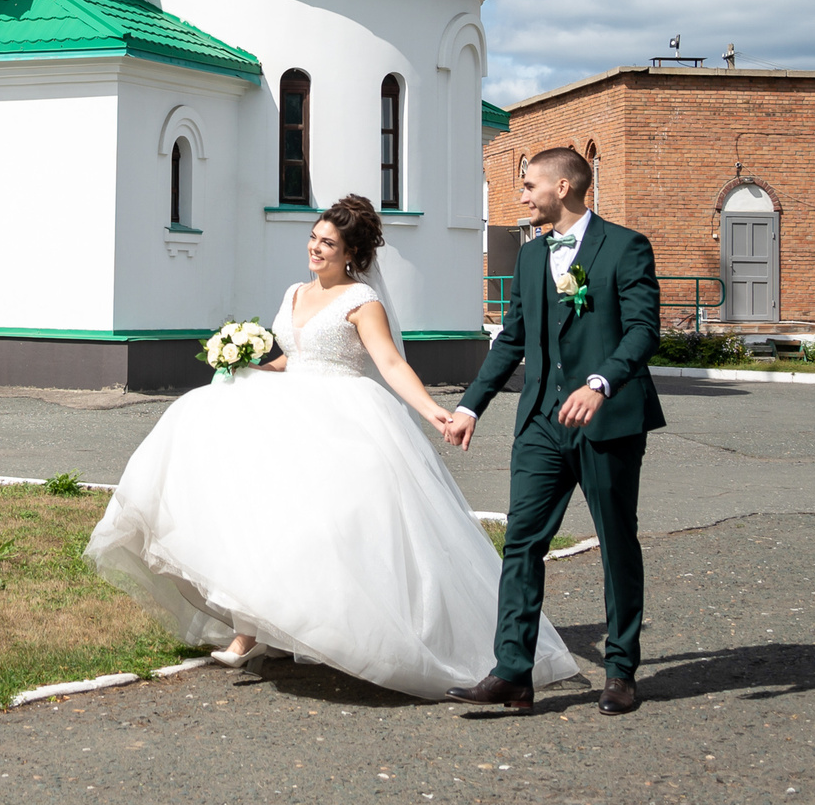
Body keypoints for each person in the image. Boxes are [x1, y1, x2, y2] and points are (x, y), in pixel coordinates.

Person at [86, 194, 580, 698]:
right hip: (284, 409)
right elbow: (290, 359)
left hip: (342, 415)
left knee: (324, 530)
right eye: (313, 238)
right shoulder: (294, 293)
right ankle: (254, 628)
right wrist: (243, 358)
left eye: (328, 243)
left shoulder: (361, 302)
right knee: (260, 512)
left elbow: (390, 364)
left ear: (352, 254)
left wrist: (433, 410)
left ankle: (324, 634)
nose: (315, 248)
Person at [447, 146, 662, 718]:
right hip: (541, 419)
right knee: (522, 541)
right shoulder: (530, 255)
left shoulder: (625, 246)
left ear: (562, 187)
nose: (521, 196)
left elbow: (643, 330)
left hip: (607, 419)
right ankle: (512, 673)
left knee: (616, 541)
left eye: (528, 186)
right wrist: (471, 406)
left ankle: (621, 671)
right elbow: (513, 339)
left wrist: (601, 383)